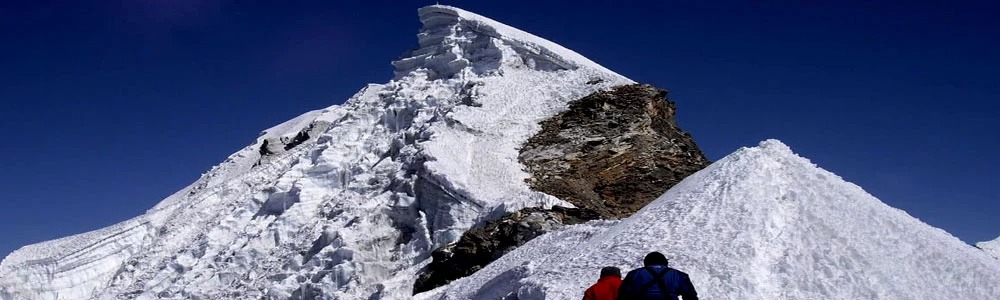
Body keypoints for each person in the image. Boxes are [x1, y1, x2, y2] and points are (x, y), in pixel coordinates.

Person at [618, 252, 698, 300]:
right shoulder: (679, 275)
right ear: (664, 262)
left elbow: (623, 296)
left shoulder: (634, 274)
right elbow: (691, 297)